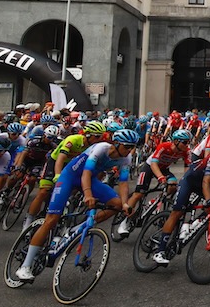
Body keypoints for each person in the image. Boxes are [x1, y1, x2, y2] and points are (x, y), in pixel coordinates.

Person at [14, 129, 138, 283]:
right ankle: (25, 266)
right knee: (51, 220)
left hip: (89, 180)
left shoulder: (126, 159)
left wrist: (125, 203)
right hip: (70, 177)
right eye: (127, 146)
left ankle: (77, 228)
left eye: (132, 146)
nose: (129, 150)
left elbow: (124, 183)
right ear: (117, 144)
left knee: (117, 205)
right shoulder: (101, 148)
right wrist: (87, 195)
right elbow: (85, 173)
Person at [150, 143, 210, 266]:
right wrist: (207, 200)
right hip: (189, 181)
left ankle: (196, 222)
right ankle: (160, 251)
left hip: (202, 184)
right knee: (177, 212)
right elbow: (206, 181)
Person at [22, 121, 107, 230]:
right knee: (43, 192)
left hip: (72, 166)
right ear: (88, 134)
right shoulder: (73, 140)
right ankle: (29, 218)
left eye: (101, 136)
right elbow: (60, 158)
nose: (99, 139)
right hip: (55, 162)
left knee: (69, 192)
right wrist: (57, 175)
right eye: (97, 136)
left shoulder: (95, 146)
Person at [116, 129, 193, 239]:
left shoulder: (186, 151)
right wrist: (160, 177)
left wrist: (185, 181)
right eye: (185, 142)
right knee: (138, 194)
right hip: (149, 167)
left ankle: (155, 201)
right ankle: (125, 221)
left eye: (188, 142)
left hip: (164, 169)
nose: (187, 145)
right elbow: (153, 164)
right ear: (176, 141)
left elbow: (187, 168)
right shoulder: (164, 146)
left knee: (173, 185)